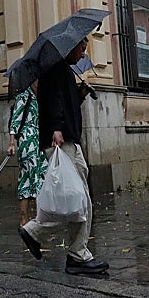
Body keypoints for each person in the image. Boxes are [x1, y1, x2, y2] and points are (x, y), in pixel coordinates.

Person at [18, 37, 109, 275]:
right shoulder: (54, 69)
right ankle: (74, 253)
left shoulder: (64, 70)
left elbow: (66, 104)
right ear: (70, 46)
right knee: (80, 199)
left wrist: (81, 93)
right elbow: (52, 101)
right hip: (61, 140)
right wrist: (57, 128)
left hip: (66, 138)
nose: (83, 54)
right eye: (81, 48)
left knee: (76, 199)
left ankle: (51, 240)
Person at [6, 86, 45, 226]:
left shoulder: (41, 95)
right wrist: (11, 143)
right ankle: (27, 218)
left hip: (39, 139)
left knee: (39, 175)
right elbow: (16, 118)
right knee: (30, 176)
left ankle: (34, 218)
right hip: (27, 139)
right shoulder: (24, 95)